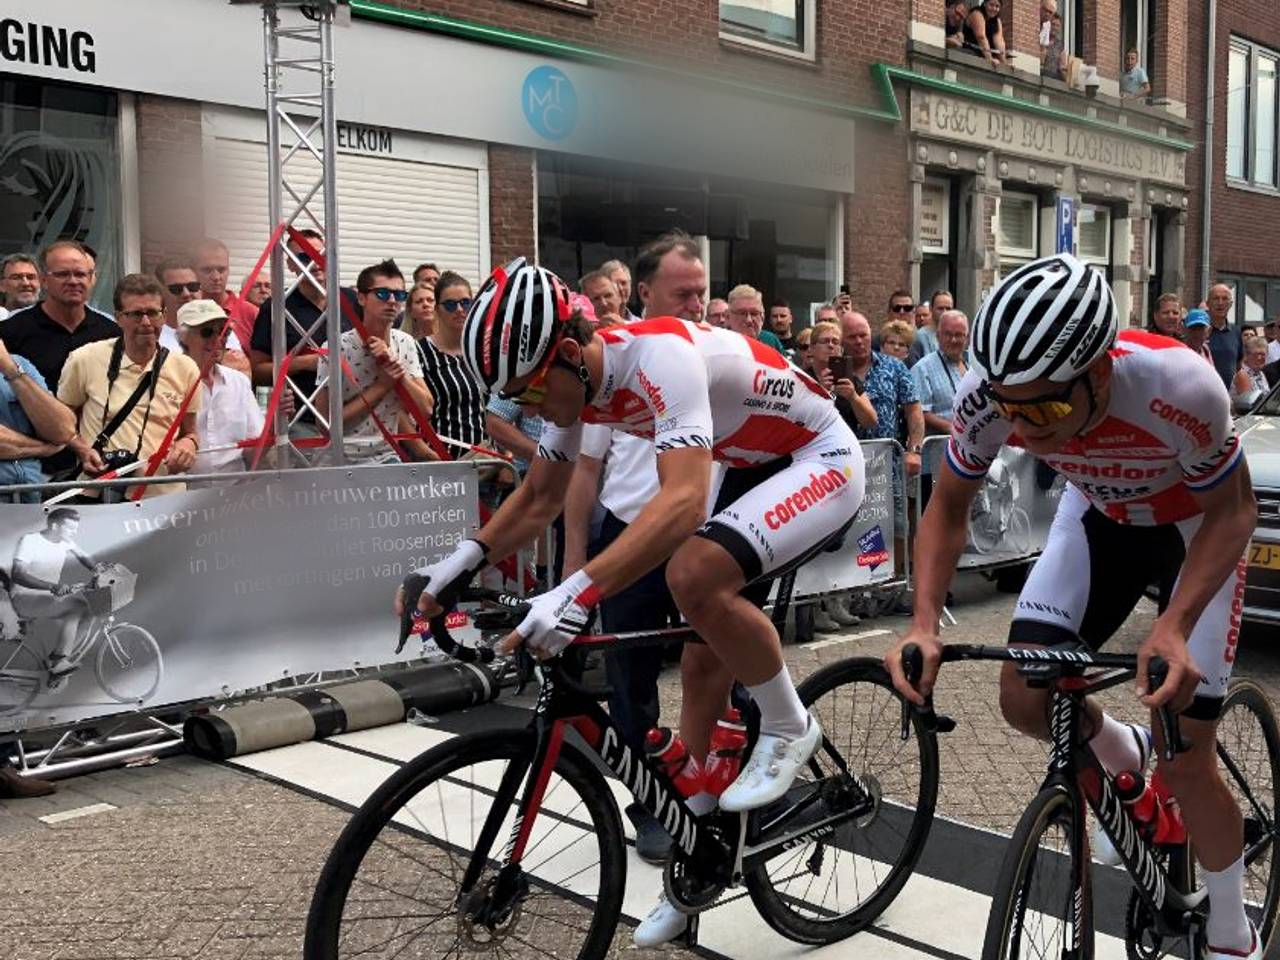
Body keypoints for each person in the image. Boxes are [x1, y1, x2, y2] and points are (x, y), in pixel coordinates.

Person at [403, 253, 864, 948]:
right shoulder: (576, 386)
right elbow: (540, 497)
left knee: (692, 575)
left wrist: (576, 591)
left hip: (818, 458)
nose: (531, 410)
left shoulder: (660, 354)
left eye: (531, 394)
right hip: (747, 467)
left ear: (565, 352)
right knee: (702, 660)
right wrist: (456, 568)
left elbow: (680, 500)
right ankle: (700, 859)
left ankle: (788, 725)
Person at [885, 253, 1262, 960]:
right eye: (1010, 408)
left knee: (1187, 759)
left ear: (1099, 373)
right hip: (1102, 521)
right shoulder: (992, 392)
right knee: (1026, 697)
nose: (1024, 432)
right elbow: (949, 505)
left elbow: (1234, 513)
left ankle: (1231, 933)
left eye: (1047, 408)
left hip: (1192, 530)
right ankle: (1123, 751)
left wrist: (1174, 627)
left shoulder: (1179, 383)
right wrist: (923, 623)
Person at [562, 237, 705, 863]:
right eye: (684, 294)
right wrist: (573, 564)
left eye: (703, 292)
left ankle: (726, 780)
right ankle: (650, 804)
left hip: (700, 533)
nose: (698, 305)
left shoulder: (702, 354)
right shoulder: (609, 363)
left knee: (720, 663)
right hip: (629, 533)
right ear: (642, 293)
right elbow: (582, 473)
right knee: (630, 683)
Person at [59, 274, 202, 495]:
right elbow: (61, 421)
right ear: (118, 317)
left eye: (153, 313)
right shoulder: (84, 359)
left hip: (163, 498)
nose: (146, 322)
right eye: (135, 314)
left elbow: (190, 432)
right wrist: (82, 450)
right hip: (100, 495)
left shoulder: (186, 368)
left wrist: (188, 445)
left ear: (164, 316)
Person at [316, 260, 433, 463]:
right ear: (361, 298)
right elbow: (325, 424)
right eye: (382, 294)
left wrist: (397, 372)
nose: (392, 301)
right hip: (342, 457)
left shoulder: (405, 342)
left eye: (400, 295)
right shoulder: (336, 347)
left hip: (388, 454)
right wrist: (381, 386)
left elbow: (426, 409)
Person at [843, 310, 924, 577]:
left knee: (896, 525)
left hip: (888, 466)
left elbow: (914, 410)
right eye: (851, 336)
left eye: (863, 335)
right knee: (854, 527)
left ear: (871, 336)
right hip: (846, 467)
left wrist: (914, 450)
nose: (858, 341)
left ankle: (893, 583)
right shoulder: (834, 372)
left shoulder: (893, 367)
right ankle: (856, 587)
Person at [248, 230, 357, 425]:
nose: (315, 262)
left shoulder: (350, 300)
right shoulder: (276, 307)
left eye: (321, 255)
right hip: (301, 421)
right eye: (305, 257)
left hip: (353, 416)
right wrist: (307, 362)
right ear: (290, 265)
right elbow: (257, 372)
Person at [1, 241, 117, 394]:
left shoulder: (112, 333)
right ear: (44, 280)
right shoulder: (10, 332)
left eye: (80, 274)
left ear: (91, 279)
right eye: (62, 274)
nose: (73, 281)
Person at [11, 508, 105, 680]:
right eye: (70, 528)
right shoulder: (30, 541)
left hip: (47, 597)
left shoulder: (64, 541)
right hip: (24, 598)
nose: (74, 533)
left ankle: (58, 659)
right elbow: (18, 574)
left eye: (75, 529)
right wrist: (52, 587)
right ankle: (59, 661)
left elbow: (83, 556)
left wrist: (97, 569)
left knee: (89, 611)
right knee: (78, 608)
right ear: (54, 525)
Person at [176, 300, 264, 478]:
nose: (218, 339)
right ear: (184, 338)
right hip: (184, 494)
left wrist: (275, 424)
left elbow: (254, 448)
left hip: (235, 493)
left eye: (225, 332)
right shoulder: (169, 380)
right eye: (207, 332)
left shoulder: (239, 382)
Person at [418, 271, 487, 453]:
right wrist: (432, 456)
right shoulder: (421, 352)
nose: (459, 310)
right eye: (450, 305)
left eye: (465, 303)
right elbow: (408, 415)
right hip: (444, 466)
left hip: (490, 462)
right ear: (437, 309)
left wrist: (506, 453)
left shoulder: (483, 350)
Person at [0, 337, 76, 496]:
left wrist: (10, 369)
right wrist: (43, 448)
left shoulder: (18, 363)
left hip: (30, 497)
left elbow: (63, 431)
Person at [154, 260, 250, 377]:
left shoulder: (220, 328)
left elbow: (242, 370)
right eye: (176, 289)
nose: (186, 294)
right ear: (160, 294)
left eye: (193, 287)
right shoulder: (154, 336)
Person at [911, 310, 970, 437]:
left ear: (967, 338)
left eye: (959, 335)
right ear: (937, 336)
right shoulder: (922, 369)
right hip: (940, 446)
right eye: (947, 334)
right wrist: (954, 430)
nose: (953, 340)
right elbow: (920, 412)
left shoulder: (975, 366)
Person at [192, 238, 258, 348]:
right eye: (207, 270)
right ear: (193, 271)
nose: (216, 277)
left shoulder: (250, 313)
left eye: (221, 270)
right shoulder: (187, 310)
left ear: (229, 269)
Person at [1205, 283, 1244, 390]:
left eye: (1225, 298)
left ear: (1230, 304)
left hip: (1228, 397)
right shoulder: (1199, 331)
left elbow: (1238, 366)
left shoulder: (1236, 332)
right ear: (1208, 303)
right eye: (1216, 298)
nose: (1220, 303)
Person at [725, 284, 785, 351]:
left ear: (762, 317)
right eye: (742, 313)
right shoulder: (719, 344)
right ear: (728, 317)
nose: (749, 320)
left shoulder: (770, 341)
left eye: (754, 313)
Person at [908, 290, 954, 366]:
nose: (944, 312)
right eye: (940, 308)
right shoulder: (920, 337)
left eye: (948, 308)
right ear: (931, 309)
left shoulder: (957, 336)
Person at [964, 0, 1007, 67]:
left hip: (984, 54)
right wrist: (989, 59)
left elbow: (999, 42)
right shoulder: (977, 13)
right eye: (991, 5)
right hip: (970, 52)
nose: (994, 8)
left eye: (997, 6)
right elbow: (981, 37)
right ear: (984, 4)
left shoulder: (997, 20)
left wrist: (1004, 64)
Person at [1232, 336, 1269, 405]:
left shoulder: (1260, 373)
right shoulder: (1241, 374)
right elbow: (1248, 405)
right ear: (1246, 355)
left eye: (1263, 354)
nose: (1259, 358)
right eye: (1255, 354)